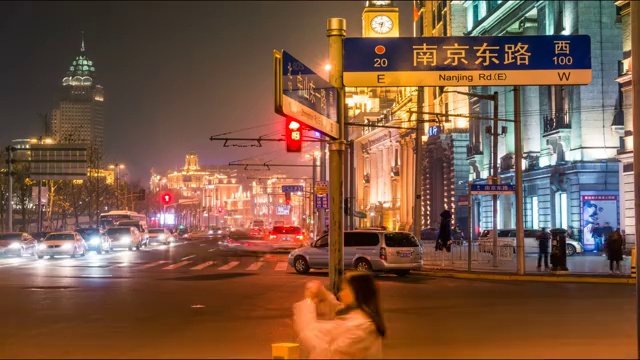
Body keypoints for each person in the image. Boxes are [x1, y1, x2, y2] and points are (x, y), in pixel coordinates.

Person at [293, 272, 385, 358]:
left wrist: (309, 300)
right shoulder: (360, 316)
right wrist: (324, 295)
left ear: (357, 292)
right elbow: (337, 307)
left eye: (344, 289)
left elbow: (313, 337)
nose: (340, 294)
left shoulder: (361, 327)